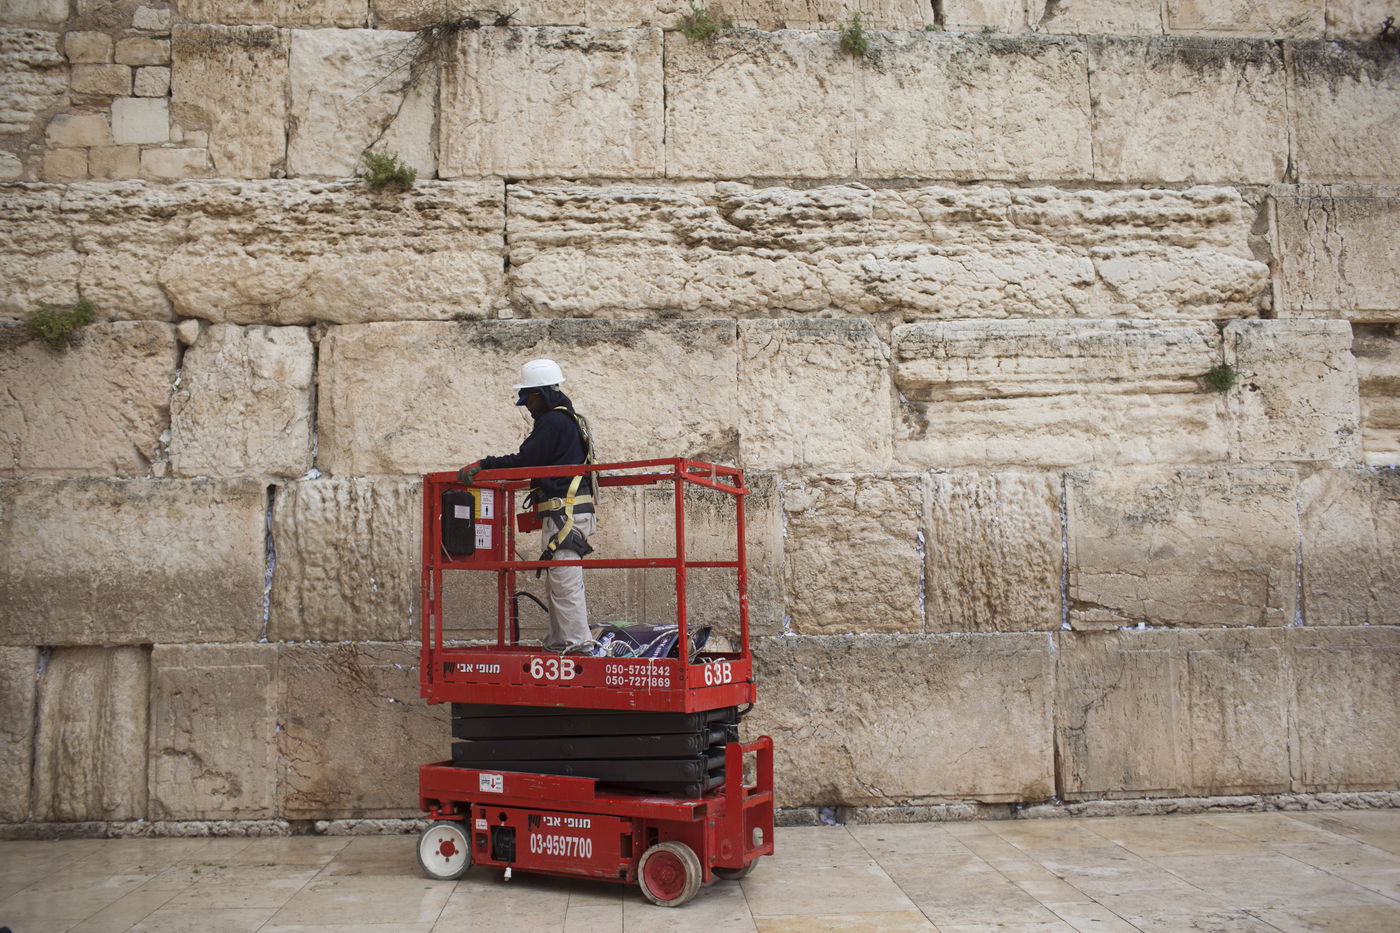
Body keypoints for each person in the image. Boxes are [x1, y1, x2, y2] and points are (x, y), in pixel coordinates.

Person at [459, 359, 600, 656]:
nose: (527, 407)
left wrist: (485, 464)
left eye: (529, 399)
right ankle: (560, 642)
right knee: (559, 582)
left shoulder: (553, 421)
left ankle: (579, 646)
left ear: (541, 393)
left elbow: (525, 461)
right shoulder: (569, 419)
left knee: (565, 583)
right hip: (568, 512)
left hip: (564, 513)